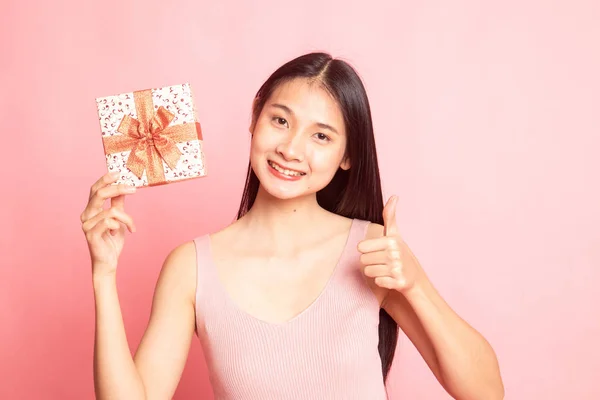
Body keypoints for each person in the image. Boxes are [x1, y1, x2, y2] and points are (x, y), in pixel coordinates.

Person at [81, 52, 504, 400]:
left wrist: (415, 286)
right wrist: (104, 274)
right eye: (280, 120)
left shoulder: (372, 250)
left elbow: (486, 393)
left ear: (347, 156)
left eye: (321, 136)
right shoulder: (191, 268)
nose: (290, 148)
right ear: (255, 120)